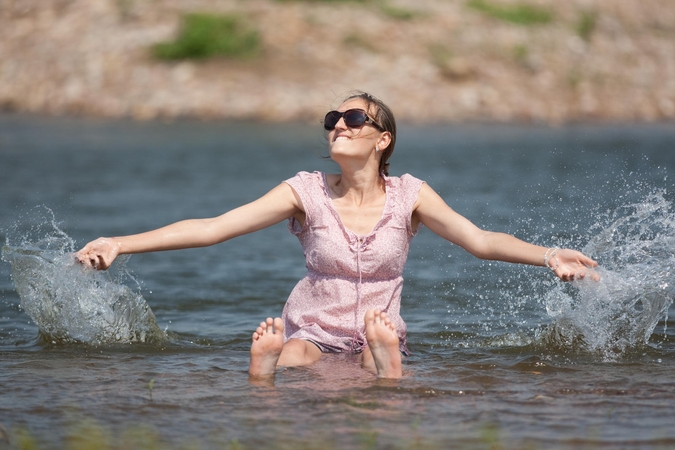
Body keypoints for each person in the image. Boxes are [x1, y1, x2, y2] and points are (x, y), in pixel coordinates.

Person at [76, 91, 598, 380]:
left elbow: (480, 240)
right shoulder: (305, 191)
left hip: (378, 328)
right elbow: (212, 229)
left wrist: (548, 255)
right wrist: (121, 242)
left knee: (379, 361)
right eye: (333, 119)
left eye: (353, 118)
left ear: (383, 138)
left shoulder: (411, 194)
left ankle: (384, 361)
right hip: (313, 331)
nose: (338, 127)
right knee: (295, 357)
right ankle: (264, 370)